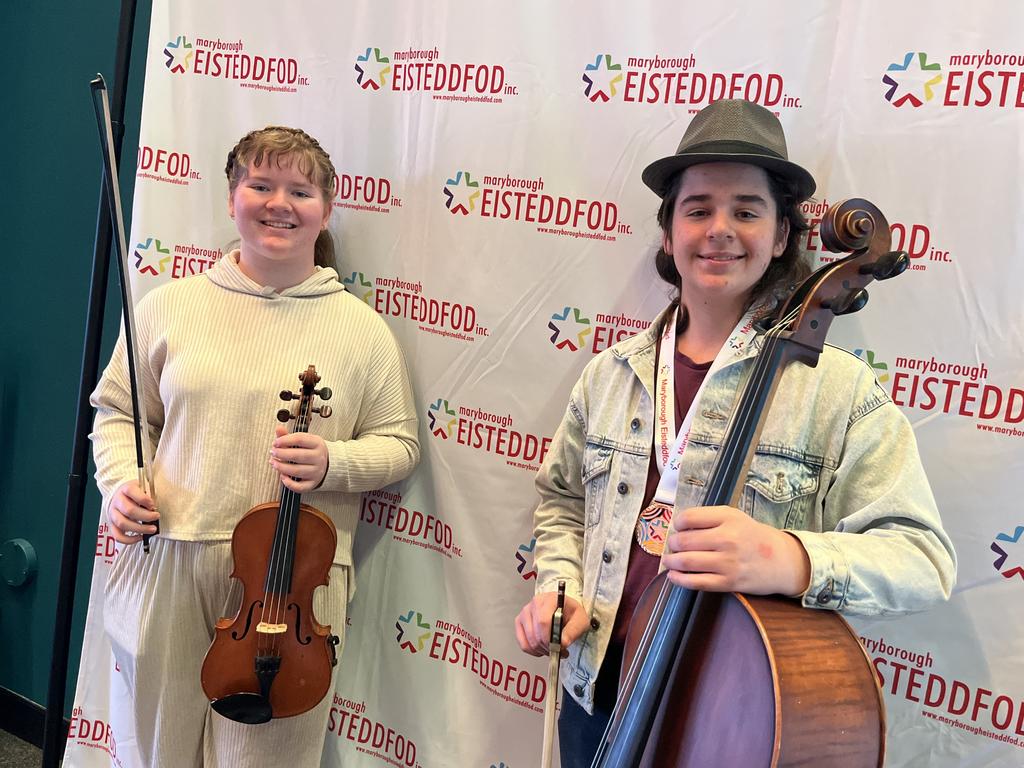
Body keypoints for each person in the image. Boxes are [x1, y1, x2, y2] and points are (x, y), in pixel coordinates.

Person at [514, 99, 956, 768]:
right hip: (596, 698)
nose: (720, 229)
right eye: (698, 209)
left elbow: (922, 559)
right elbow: (562, 502)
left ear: (782, 237)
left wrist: (789, 558)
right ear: (668, 234)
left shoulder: (836, 391)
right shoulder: (610, 375)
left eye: (747, 210)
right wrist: (559, 583)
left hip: (722, 723)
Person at [90, 126, 420, 767]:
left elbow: (399, 445)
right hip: (171, 559)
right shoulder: (172, 306)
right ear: (231, 198)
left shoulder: (361, 330)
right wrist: (119, 482)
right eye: (260, 184)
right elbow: (121, 412)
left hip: (291, 586)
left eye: (300, 189)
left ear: (326, 208)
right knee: (158, 752)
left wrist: (334, 462)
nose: (279, 203)